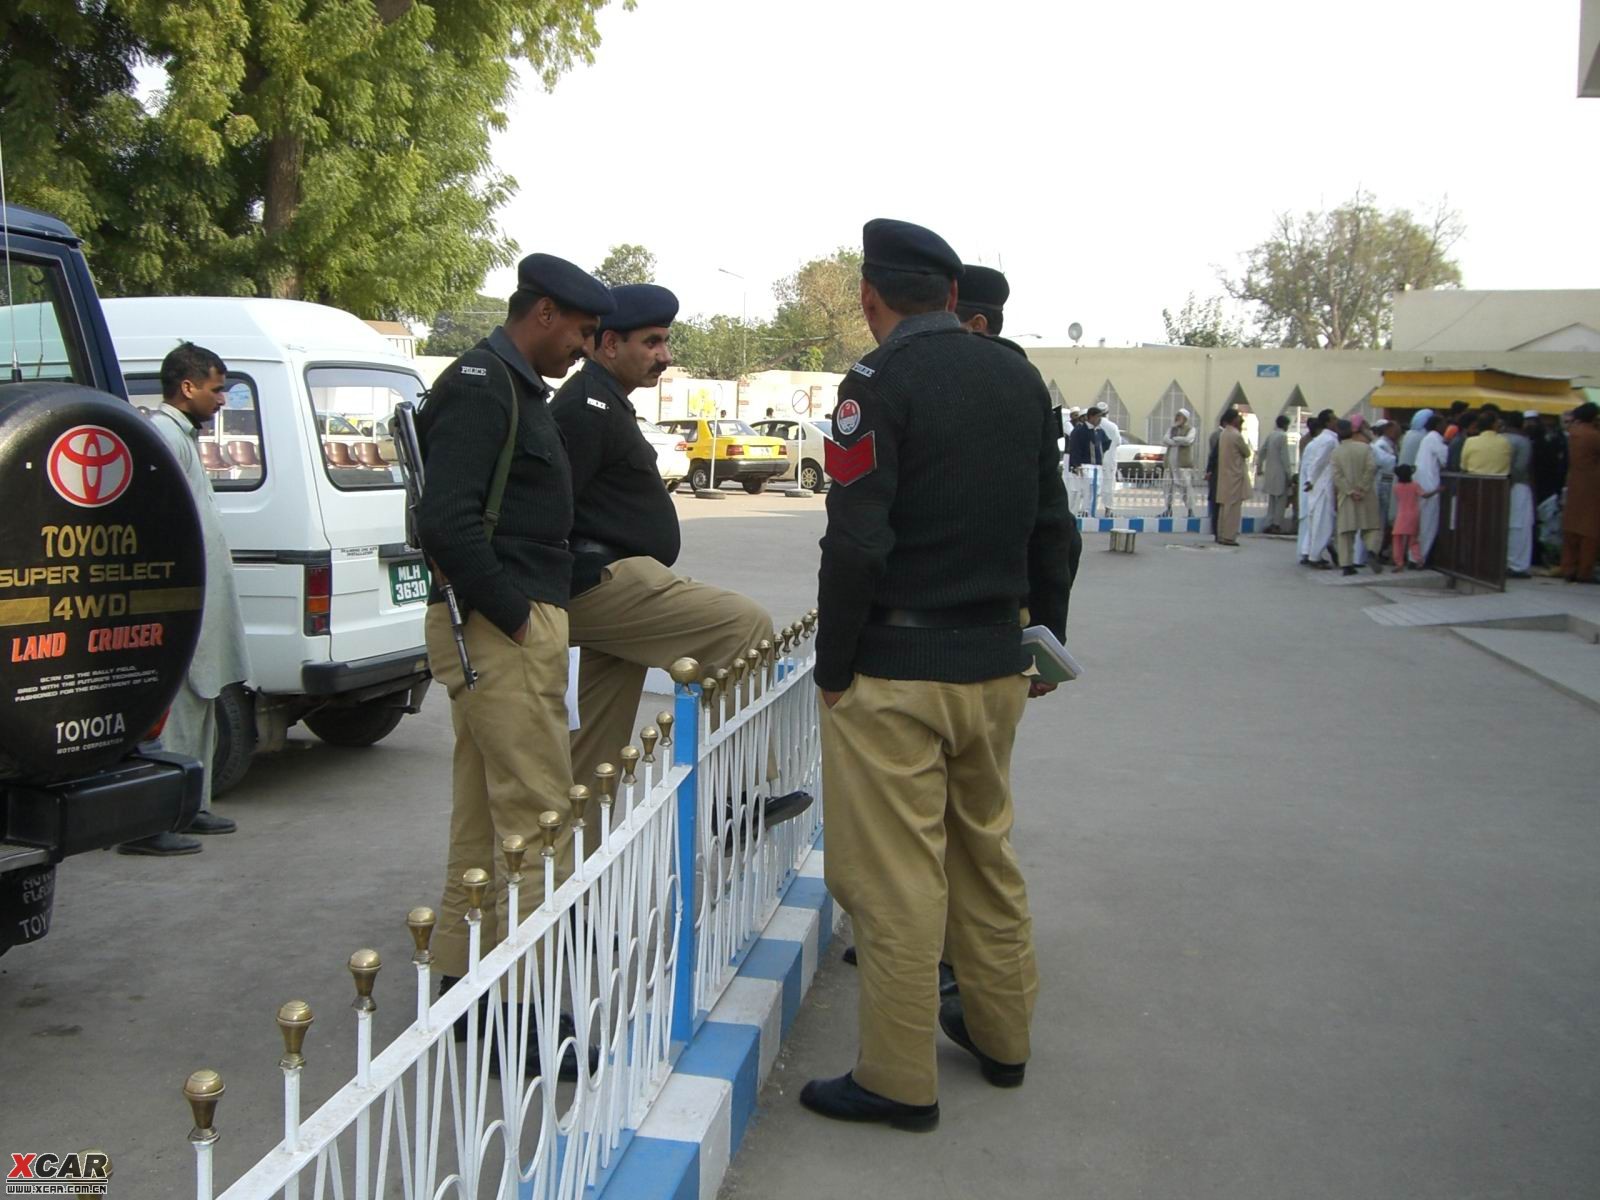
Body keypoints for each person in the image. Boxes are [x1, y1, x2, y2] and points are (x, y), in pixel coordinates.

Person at [802, 218, 1071, 1132]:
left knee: (895, 880)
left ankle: (896, 1078)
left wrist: (832, 665)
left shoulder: (875, 384)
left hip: (897, 673)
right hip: (997, 664)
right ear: (953, 299)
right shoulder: (1019, 377)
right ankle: (1003, 1040)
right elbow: (1053, 530)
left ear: (873, 300)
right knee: (985, 854)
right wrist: (1042, 645)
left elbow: (857, 539)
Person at [414, 252, 613, 991]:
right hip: (502, 630)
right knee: (539, 821)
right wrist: (516, 619)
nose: (585, 348)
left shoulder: (512, 385)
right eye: (583, 331)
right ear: (544, 315)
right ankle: (531, 1008)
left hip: (503, 626)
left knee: (481, 818)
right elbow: (446, 522)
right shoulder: (482, 385)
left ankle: (459, 978)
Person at [551, 283, 812, 825]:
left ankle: (565, 881)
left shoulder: (604, 401)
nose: (664, 357)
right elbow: (549, 509)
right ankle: (736, 802)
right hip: (601, 580)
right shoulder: (586, 406)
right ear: (608, 344)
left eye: (665, 343)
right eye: (651, 343)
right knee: (743, 627)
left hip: (607, 584)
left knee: (593, 762)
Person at [119, 343, 250, 856]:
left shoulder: (181, 436)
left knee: (200, 700)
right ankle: (149, 823)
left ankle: (188, 806)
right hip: (180, 598)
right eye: (217, 389)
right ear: (188, 387)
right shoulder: (164, 437)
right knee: (172, 707)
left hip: (200, 596)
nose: (222, 399)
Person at [1332, 419, 1383, 576]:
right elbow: (1372, 467)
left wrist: (1350, 491)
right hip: (1366, 495)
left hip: (1347, 497)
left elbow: (1337, 476)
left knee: (1345, 532)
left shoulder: (1336, 452)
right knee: (1372, 527)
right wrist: (1362, 487)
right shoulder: (1365, 448)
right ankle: (1372, 550)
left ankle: (1347, 565)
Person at [1560, 402, 1600, 583]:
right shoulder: (1594, 436)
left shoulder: (1572, 434)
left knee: (1571, 527)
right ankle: (1585, 571)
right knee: (1590, 529)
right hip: (1593, 485)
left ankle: (1568, 568)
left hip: (1574, 482)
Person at [1297, 411, 1339, 567]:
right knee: (1323, 523)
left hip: (1316, 486)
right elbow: (1318, 462)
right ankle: (1315, 556)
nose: (1336, 421)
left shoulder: (1319, 440)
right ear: (1327, 423)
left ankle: (1308, 551)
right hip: (1322, 486)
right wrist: (1311, 480)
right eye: (1334, 419)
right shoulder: (1329, 441)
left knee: (1315, 521)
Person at [1500, 412, 1534, 578]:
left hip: (1499, 485)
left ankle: (1503, 560)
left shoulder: (1500, 438)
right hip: (1518, 487)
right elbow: (1520, 468)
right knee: (1520, 526)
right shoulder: (1523, 442)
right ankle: (1517, 565)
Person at [1415, 413, 1449, 563]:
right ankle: (1421, 557)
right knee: (1429, 524)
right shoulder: (1435, 438)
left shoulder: (1427, 438)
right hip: (1430, 485)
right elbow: (1444, 459)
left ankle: (1415, 556)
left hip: (1422, 482)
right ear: (1437, 425)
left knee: (1421, 523)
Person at [1214, 408, 1251, 545]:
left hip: (1224, 474)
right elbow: (1247, 453)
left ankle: (1221, 534)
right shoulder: (1236, 435)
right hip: (1235, 475)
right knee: (1233, 509)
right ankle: (1229, 536)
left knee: (1224, 507)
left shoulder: (1223, 433)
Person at [1068, 405, 1110, 515]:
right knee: (1086, 490)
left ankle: (1091, 511)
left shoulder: (1100, 431)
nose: (1100, 420)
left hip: (1098, 465)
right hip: (1085, 465)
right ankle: (1084, 511)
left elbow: (1106, 443)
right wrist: (1077, 465)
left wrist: (1099, 453)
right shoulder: (1080, 430)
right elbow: (1075, 448)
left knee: (1096, 490)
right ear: (1091, 417)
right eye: (1097, 417)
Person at [1161, 408, 1199, 518]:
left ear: (1185, 419)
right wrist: (1178, 441)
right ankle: (1168, 509)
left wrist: (1176, 439)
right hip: (1170, 464)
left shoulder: (1191, 429)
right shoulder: (1171, 429)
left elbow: (1188, 440)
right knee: (1168, 487)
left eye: (1180, 416)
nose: (1177, 418)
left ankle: (1190, 510)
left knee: (1186, 488)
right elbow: (1165, 439)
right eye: (1176, 416)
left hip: (1183, 465)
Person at [1258, 414, 1292, 533]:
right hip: (1280, 473)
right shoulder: (1282, 436)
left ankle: (1269, 522)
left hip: (1270, 472)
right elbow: (1285, 457)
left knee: (1272, 501)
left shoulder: (1271, 435)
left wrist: (1259, 466)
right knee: (1281, 501)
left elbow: (1262, 451)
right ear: (1285, 425)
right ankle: (1276, 524)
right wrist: (1289, 474)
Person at [1391, 464, 1423, 569]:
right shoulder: (1415, 485)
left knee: (1397, 539)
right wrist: (1437, 490)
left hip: (1401, 516)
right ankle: (1418, 560)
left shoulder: (1396, 487)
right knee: (1413, 540)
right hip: (1413, 515)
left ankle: (1399, 563)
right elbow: (1424, 495)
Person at [1460, 409, 1510, 476]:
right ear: (1494, 425)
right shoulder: (1505, 442)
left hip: (1474, 483)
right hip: (1499, 484)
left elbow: (1463, 466)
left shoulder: (1470, 441)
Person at [1097, 406, 1122, 516]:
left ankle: (1090, 510)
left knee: (1094, 485)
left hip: (1096, 459)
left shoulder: (1095, 425)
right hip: (1110, 459)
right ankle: (1108, 510)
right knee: (1109, 484)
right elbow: (1118, 442)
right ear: (1107, 413)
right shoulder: (1112, 426)